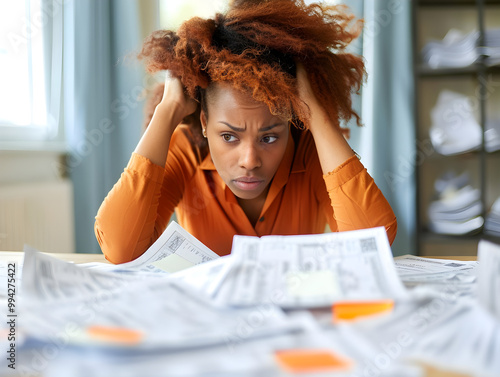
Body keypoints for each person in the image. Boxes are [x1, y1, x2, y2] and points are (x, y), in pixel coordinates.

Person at [95, 0, 397, 264]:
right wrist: (168, 110)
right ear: (203, 121)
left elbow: (374, 245)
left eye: (269, 137)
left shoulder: (310, 152)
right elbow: (121, 250)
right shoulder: (186, 149)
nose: (250, 161)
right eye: (229, 136)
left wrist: (316, 115)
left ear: (292, 120)